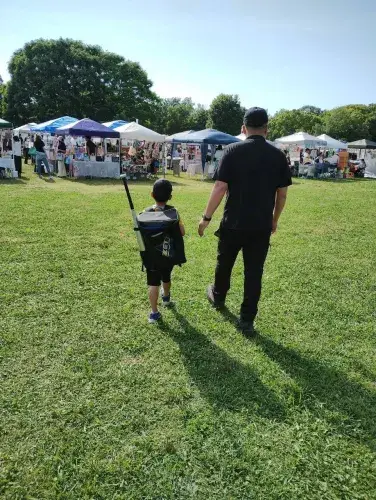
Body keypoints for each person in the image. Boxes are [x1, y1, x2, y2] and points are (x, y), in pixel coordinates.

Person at [198, 107, 292, 336]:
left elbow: (220, 187)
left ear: (243, 128)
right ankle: (247, 320)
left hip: (233, 222)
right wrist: (274, 220)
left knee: (224, 263)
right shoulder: (278, 155)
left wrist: (206, 218)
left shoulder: (231, 151)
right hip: (260, 225)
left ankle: (218, 297)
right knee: (254, 273)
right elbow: (282, 194)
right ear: (266, 129)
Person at [142, 179, 185, 324]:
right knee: (166, 277)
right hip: (167, 255)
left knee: (153, 283)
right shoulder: (174, 212)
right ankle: (166, 297)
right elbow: (182, 232)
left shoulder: (144, 213)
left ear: (151, 194)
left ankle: (154, 313)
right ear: (170, 197)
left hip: (151, 257)